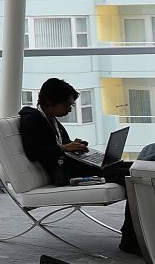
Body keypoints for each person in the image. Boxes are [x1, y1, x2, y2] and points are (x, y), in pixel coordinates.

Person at [19, 77, 154, 255]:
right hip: (66, 174)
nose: (70, 109)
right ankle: (130, 238)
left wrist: (74, 146)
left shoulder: (50, 118)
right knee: (133, 176)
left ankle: (140, 234)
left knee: (138, 165)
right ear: (50, 101)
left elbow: (58, 145)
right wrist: (65, 147)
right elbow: (34, 152)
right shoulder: (32, 120)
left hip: (75, 165)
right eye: (67, 105)